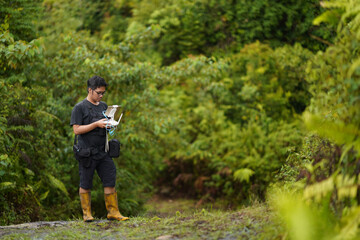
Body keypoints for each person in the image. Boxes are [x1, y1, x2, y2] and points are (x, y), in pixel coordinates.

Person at [70, 75, 129, 222]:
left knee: (110, 179)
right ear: (90, 90)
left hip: (104, 151)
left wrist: (110, 126)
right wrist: (96, 124)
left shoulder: (104, 106)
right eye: (98, 93)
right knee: (85, 182)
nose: (101, 95)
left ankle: (113, 212)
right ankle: (87, 214)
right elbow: (76, 130)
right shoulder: (79, 107)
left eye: (103, 93)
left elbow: (107, 128)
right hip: (86, 152)